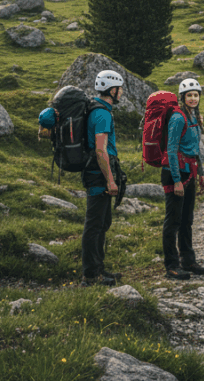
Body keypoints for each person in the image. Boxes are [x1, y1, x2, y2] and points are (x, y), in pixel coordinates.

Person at [162, 78, 204, 280]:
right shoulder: (178, 118)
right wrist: (176, 180)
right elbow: (171, 150)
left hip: (190, 170)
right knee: (173, 221)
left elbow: (195, 149)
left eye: (195, 95)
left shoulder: (194, 117)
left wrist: (201, 174)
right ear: (182, 97)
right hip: (176, 173)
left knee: (187, 219)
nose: (193, 98)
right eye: (189, 95)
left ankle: (188, 260)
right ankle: (172, 265)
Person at [82, 69, 124, 286]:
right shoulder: (103, 114)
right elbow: (101, 150)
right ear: (112, 90)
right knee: (95, 224)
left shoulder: (97, 108)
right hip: (98, 174)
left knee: (102, 222)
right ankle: (90, 275)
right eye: (120, 89)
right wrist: (110, 179)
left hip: (96, 172)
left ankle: (99, 268)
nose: (122, 93)